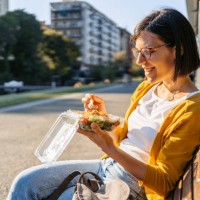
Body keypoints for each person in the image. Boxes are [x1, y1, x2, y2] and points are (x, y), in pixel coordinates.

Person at [7, 8, 200, 200]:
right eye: (138, 52)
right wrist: (103, 119)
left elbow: (164, 181)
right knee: (24, 182)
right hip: (107, 166)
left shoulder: (192, 108)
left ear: (179, 49)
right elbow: (125, 140)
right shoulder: (146, 89)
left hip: (132, 187)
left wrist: (110, 149)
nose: (140, 61)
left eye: (149, 51)